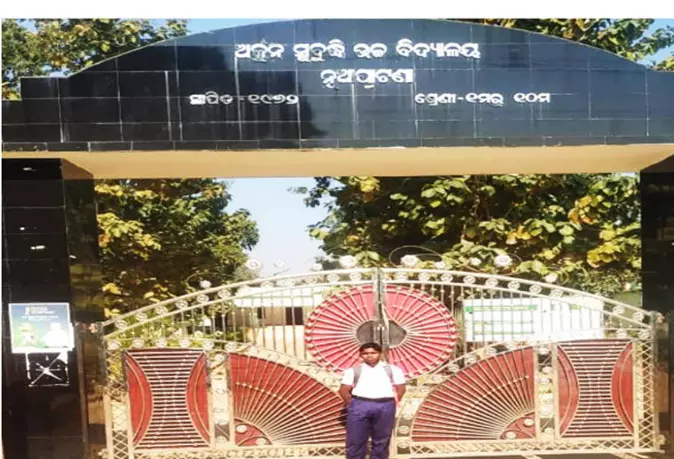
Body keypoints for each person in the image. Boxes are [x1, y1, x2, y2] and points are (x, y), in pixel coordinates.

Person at [338, 342, 406, 459]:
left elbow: (401, 389)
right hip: (360, 405)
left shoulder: (393, 370)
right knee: (355, 440)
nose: (369, 356)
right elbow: (343, 391)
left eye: (373, 353)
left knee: (382, 440)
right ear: (360, 355)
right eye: (365, 353)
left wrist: (392, 403)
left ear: (380, 354)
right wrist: (353, 404)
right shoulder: (353, 371)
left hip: (385, 405)